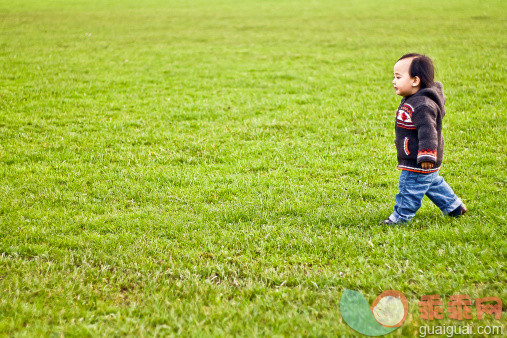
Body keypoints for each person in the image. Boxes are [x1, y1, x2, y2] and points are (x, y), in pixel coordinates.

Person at [381, 53, 466, 224]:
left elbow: (428, 132)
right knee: (433, 183)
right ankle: (454, 206)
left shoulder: (422, 105)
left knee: (409, 188)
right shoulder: (413, 99)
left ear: (415, 81)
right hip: (419, 157)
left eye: (398, 77)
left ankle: (400, 217)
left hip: (419, 159)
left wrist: (427, 154)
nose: (393, 81)